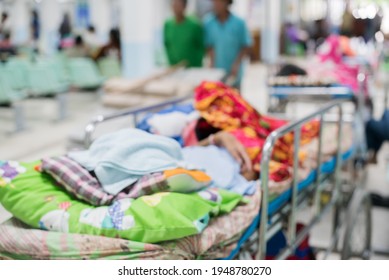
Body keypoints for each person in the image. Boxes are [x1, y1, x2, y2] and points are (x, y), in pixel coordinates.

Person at [204, 0, 252, 89]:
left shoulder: (239, 23)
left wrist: (237, 64)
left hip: (234, 73)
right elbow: (209, 46)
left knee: (234, 99)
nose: (216, 4)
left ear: (227, 2)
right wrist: (211, 63)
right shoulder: (208, 23)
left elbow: (246, 46)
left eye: (219, 2)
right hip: (216, 73)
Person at [164, 0, 204, 67]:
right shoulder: (168, 25)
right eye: (174, 5)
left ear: (185, 7)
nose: (176, 8)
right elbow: (167, 45)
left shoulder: (194, 25)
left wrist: (196, 63)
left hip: (192, 67)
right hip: (174, 67)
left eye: (179, 5)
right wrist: (172, 63)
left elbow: (201, 47)